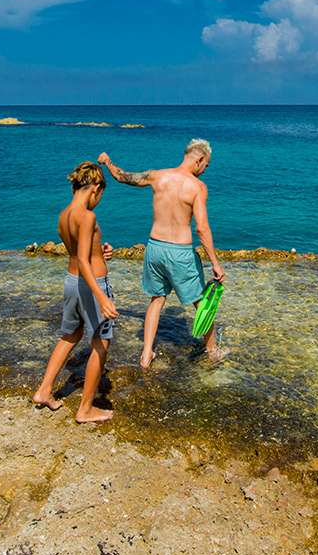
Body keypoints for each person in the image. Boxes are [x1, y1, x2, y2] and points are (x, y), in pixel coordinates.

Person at [98, 139, 227, 367]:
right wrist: (215, 263)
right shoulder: (198, 187)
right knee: (202, 304)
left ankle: (146, 355)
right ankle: (212, 352)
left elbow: (122, 176)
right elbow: (202, 228)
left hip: (154, 249)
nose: (204, 170)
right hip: (181, 254)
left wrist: (106, 160)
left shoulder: (157, 176)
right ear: (199, 158)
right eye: (206, 165)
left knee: (156, 300)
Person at [32, 162, 119, 423]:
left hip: (71, 283)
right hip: (91, 286)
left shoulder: (64, 215)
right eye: (100, 195)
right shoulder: (87, 216)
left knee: (70, 335)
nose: (98, 201)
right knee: (101, 343)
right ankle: (85, 409)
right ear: (95, 189)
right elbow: (84, 260)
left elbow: (80, 252)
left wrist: (101, 253)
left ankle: (44, 390)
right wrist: (102, 297)